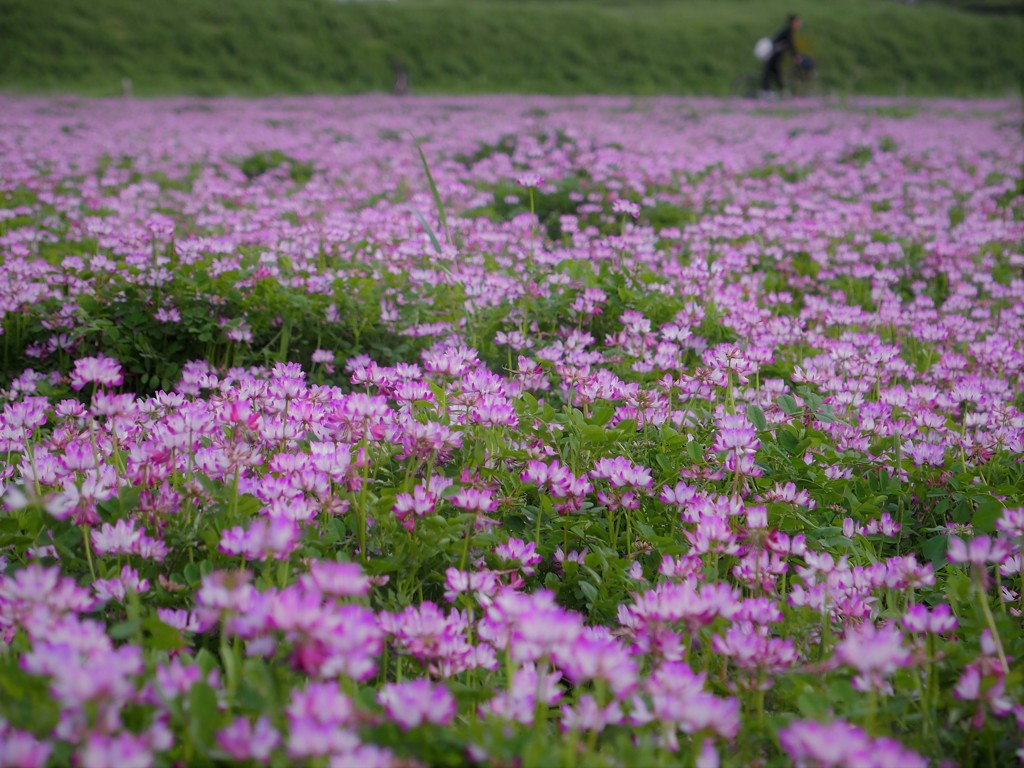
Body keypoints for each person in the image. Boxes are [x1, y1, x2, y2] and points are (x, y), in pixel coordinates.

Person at [761, 14, 802, 96]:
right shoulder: (788, 31)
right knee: (771, 71)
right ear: (793, 22)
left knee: (774, 72)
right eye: (797, 22)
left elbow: (788, 44)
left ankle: (779, 90)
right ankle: (768, 91)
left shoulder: (786, 30)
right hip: (774, 54)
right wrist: (795, 56)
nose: (799, 24)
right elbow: (790, 44)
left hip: (774, 54)